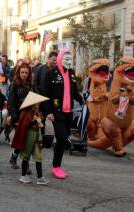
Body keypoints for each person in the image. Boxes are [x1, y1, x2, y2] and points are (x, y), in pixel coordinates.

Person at [40, 49, 83, 179]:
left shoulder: (71, 73)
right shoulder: (50, 74)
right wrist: (47, 112)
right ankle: (56, 166)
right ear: (59, 59)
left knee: (62, 140)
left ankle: (57, 165)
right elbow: (44, 94)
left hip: (69, 112)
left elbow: (74, 92)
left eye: (70, 59)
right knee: (62, 138)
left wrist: (83, 100)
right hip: (56, 112)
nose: (69, 61)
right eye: (66, 59)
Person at [12, 94, 49, 185]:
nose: (38, 103)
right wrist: (34, 121)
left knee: (38, 156)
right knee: (26, 155)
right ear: (32, 103)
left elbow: (41, 123)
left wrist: (39, 121)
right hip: (29, 135)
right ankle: (23, 175)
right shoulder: (26, 112)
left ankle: (40, 177)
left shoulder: (38, 112)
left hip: (36, 135)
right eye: (37, 102)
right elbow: (25, 124)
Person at [8, 62, 33, 168]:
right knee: (22, 138)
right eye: (22, 72)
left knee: (26, 139)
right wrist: (14, 117)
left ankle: (14, 157)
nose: (24, 74)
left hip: (29, 115)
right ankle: (24, 165)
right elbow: (11, 102)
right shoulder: (15, 84)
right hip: (18, 116)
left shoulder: (32, 84)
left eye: (26, 72)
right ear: (19, 72)